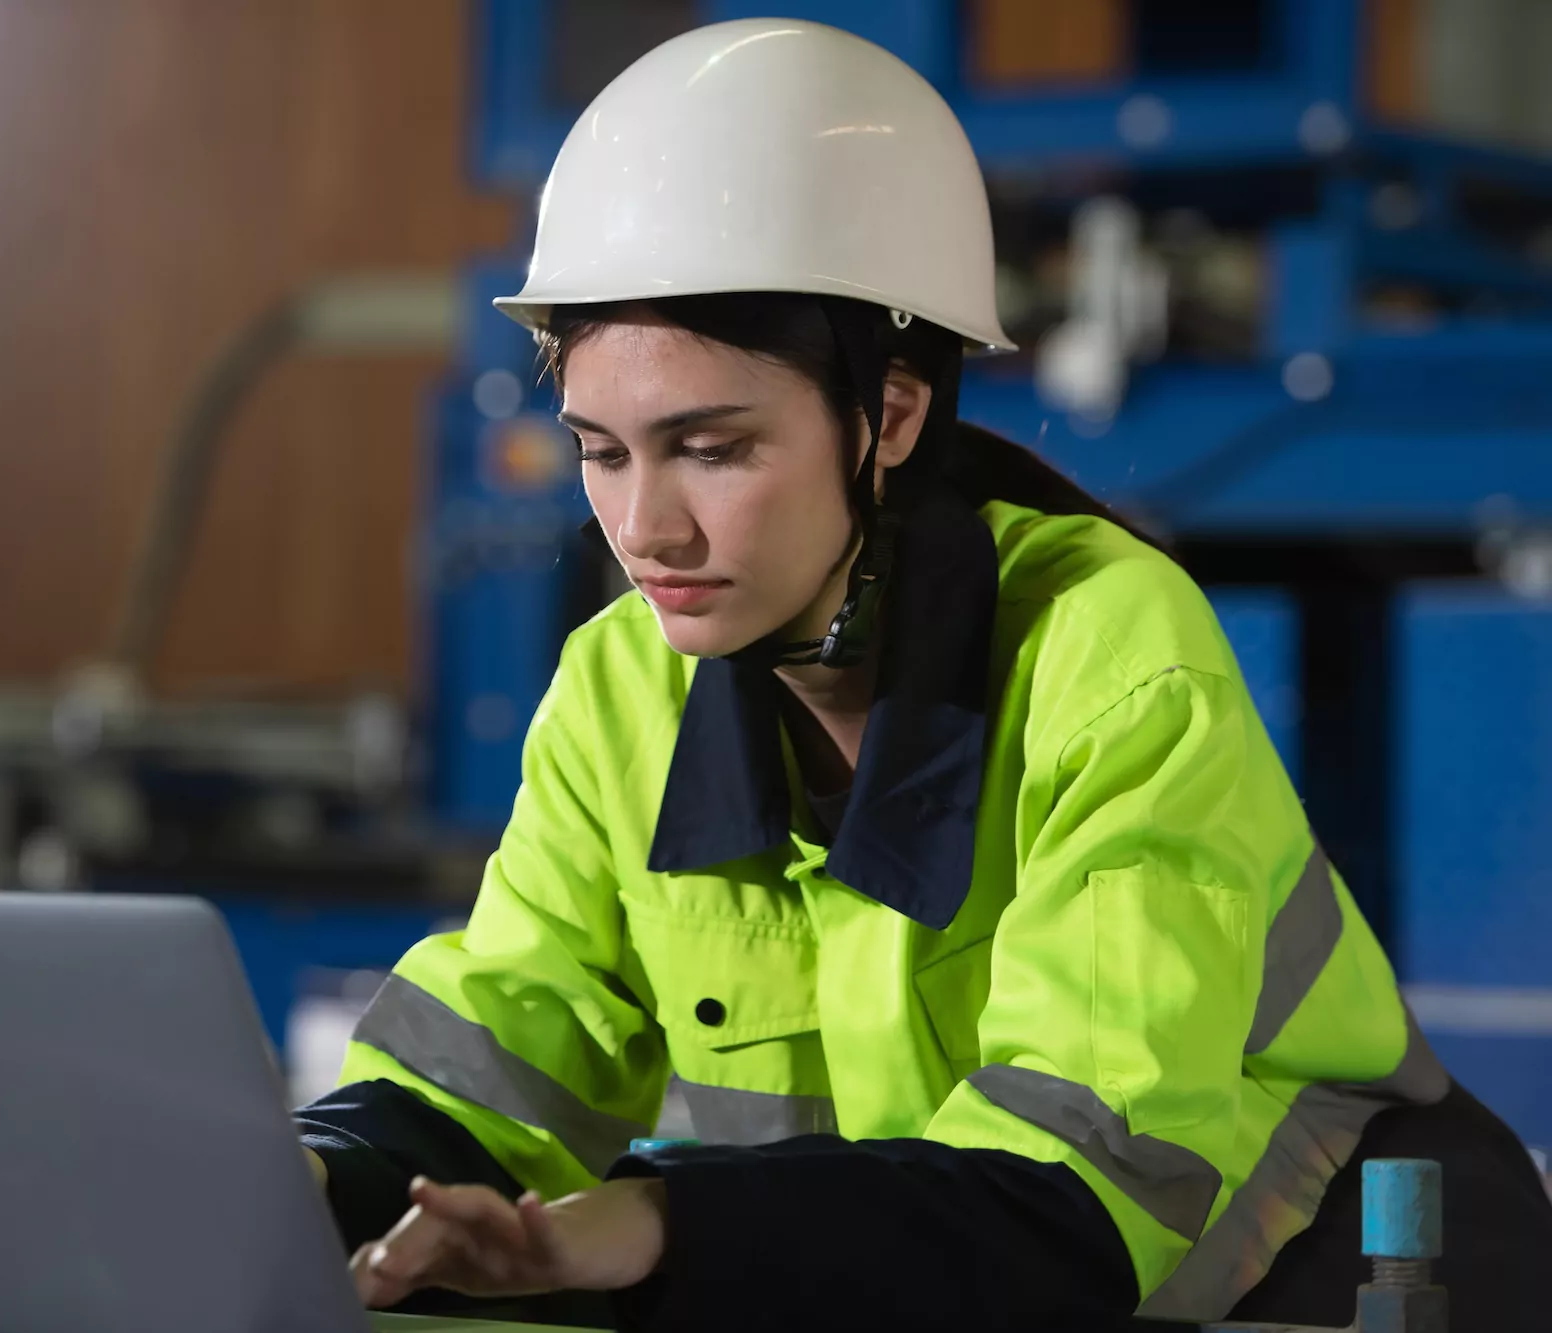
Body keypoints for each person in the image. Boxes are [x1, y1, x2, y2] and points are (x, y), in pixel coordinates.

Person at [296, 18, 1552, 1331]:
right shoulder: (622, 691)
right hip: (933, 1266)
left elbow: (1068, 1187)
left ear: (889, 414)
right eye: (602, 453)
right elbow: (506, 1050)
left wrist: (660, 1224)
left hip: (1345, 1259)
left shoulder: (1107, 652)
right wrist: (311, 1177)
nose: (646, 529)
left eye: (711, 449)